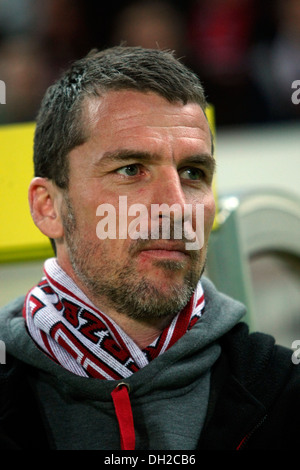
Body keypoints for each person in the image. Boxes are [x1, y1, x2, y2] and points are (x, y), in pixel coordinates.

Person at [0, 46, 299, 451]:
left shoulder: (284, 390)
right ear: (48, 207)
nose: (176, 206)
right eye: (130, 169)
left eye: (194, 173)